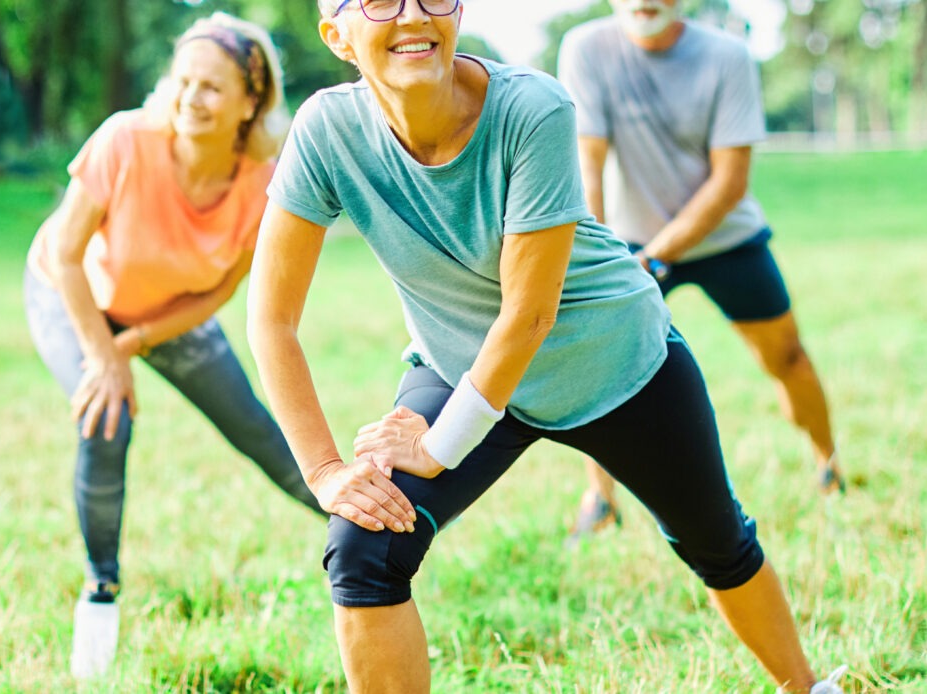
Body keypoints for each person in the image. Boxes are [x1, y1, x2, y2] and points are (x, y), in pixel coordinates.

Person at [246, 1, 846, 692]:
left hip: (614, 364)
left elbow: (529, 315)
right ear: (337, 35)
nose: (412, 15)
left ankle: (807, 686)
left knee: (720, 546)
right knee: (365, 548)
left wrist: (440, 447)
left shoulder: (533, 109)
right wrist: (324, 471)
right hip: (460, 366)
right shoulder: (325, 132)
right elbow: (271, 318)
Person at [22, 12, 327, 679]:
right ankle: (100, 593)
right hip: (69, 293)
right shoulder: (124, 140)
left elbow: (219, 291)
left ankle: (367, 533)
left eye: (212, 87)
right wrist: (105, 357)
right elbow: (68, 256)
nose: (191, 97)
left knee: (255, 427)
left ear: (252, 102)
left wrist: (137, 341)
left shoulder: (265, 185)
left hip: (166, 312)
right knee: (107, 419)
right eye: (183, 80)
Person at [557, 0, 847, 543]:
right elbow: (586, 162)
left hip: (725, 238)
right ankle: (599, 500)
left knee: (787, 356)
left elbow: (730, 182)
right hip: (628, 242)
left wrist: (658, 253)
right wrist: (598, 255)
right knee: (599, 372)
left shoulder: (728, 57)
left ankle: (829, 467)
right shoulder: (585, 48)